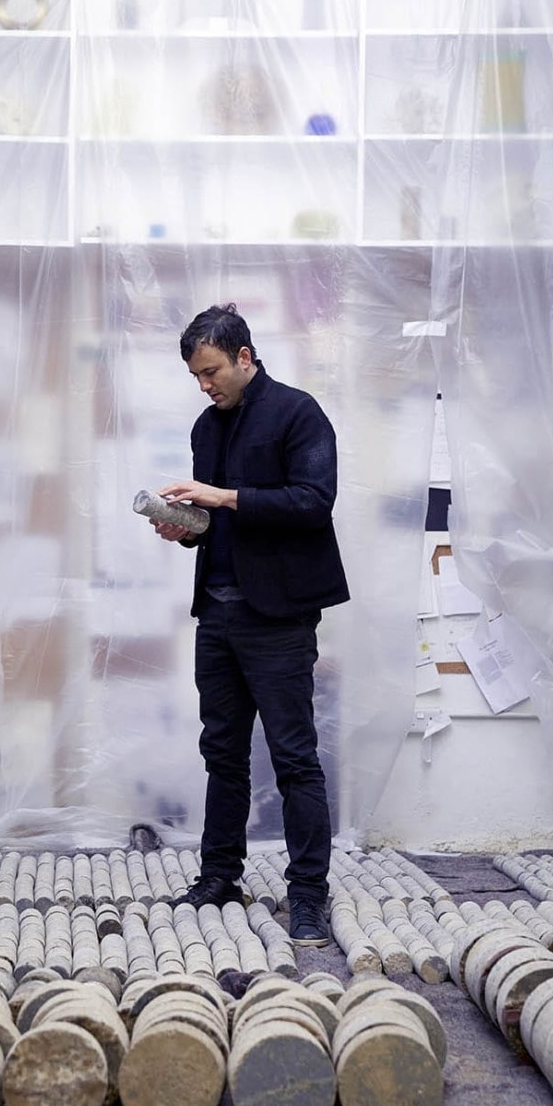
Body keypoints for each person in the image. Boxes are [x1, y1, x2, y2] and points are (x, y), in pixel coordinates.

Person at [150, 302, 349, 946]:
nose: (204, 386)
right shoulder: (207, 429)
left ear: (244, 357)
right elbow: (214, 525)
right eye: (195, 377)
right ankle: (219, 876)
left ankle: (310, 896)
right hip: (218, 611)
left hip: (280, 617)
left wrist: (221, 496)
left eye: (210, 371)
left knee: (294, 758)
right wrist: (183, 527)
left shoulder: (298, 412)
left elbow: (313, 503)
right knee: (223, 755)